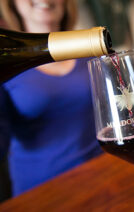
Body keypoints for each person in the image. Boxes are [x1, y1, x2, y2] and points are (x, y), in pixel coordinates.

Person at [0, 0, 102, 196]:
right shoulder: (4, 64)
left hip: (102, 174)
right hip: (42, 192)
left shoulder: (90, 49)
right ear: (12, 4)